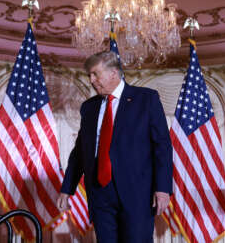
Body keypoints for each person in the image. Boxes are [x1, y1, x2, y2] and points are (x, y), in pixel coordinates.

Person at [58, 51, 173, 243]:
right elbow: (80, 152)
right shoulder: (89, 107)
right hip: (99, 194)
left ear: (113, 73)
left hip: (137, 194)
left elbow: (162, 146)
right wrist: (67, 188)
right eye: (89, 75)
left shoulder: (146, 99)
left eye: (95, 74)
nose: (91, 80)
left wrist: (162, 188)